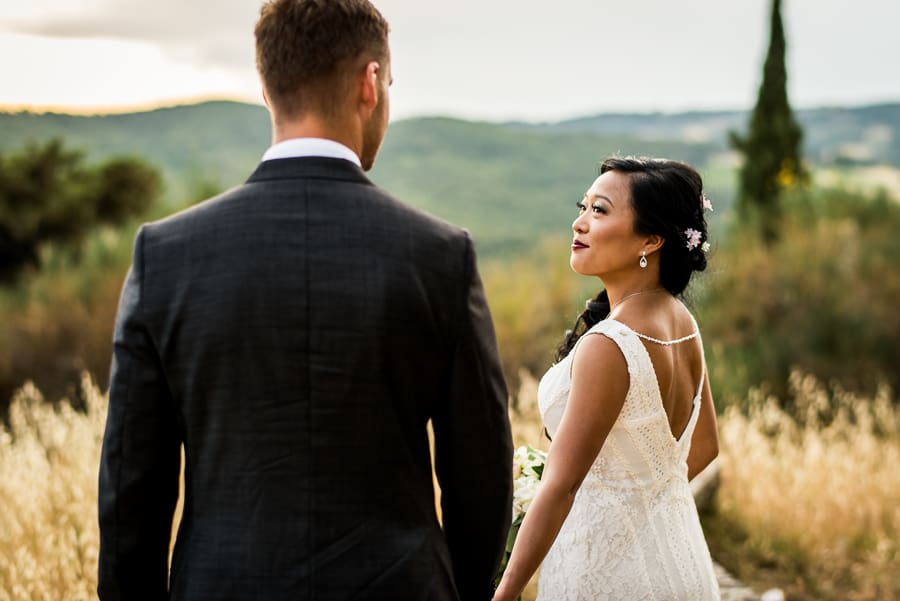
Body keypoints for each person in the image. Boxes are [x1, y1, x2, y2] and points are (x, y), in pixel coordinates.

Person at [97, 1, 513, 599]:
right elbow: (481, 475)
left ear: (267, 87)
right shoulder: (441, 255)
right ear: (370, 84)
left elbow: (130, 488)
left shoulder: (166, 255)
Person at [492, 156, 721, 601]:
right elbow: (706, 446)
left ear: (651, 240)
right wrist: (637, 502)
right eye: (583, 207)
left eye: (599, 211)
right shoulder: (682, 323)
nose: (579, 224)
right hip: (679, 561)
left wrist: (505, 593)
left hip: (607, 577)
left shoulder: (609, 344)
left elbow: (562, 486)